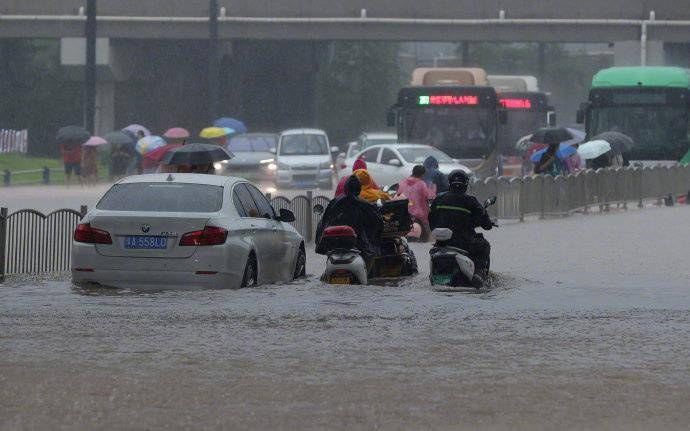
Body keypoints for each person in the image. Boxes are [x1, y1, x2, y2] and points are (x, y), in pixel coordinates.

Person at [429, 170, 494, 283]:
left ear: (450, 183)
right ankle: (479, 273)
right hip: (464, 243)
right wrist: (486, 220)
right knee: (484, 245)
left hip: (441, 244)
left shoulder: (438, 199)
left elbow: (431, 220)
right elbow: (486, 224)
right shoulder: (470, 201)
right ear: (466, 184)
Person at [316, 175, 384, 264]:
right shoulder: (366, 205)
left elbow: (323, 223)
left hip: (334, 245)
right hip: (360, 245)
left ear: (345, 187)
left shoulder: (334, 203)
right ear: (359, 188)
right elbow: (377, 223)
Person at [396, 165, 434, 242]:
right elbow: (427, 196)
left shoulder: (403, 182)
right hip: (419, 215)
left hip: (404, 212)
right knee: (427, 235)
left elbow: (398, 195)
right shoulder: (421, 184)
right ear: (422, 174)